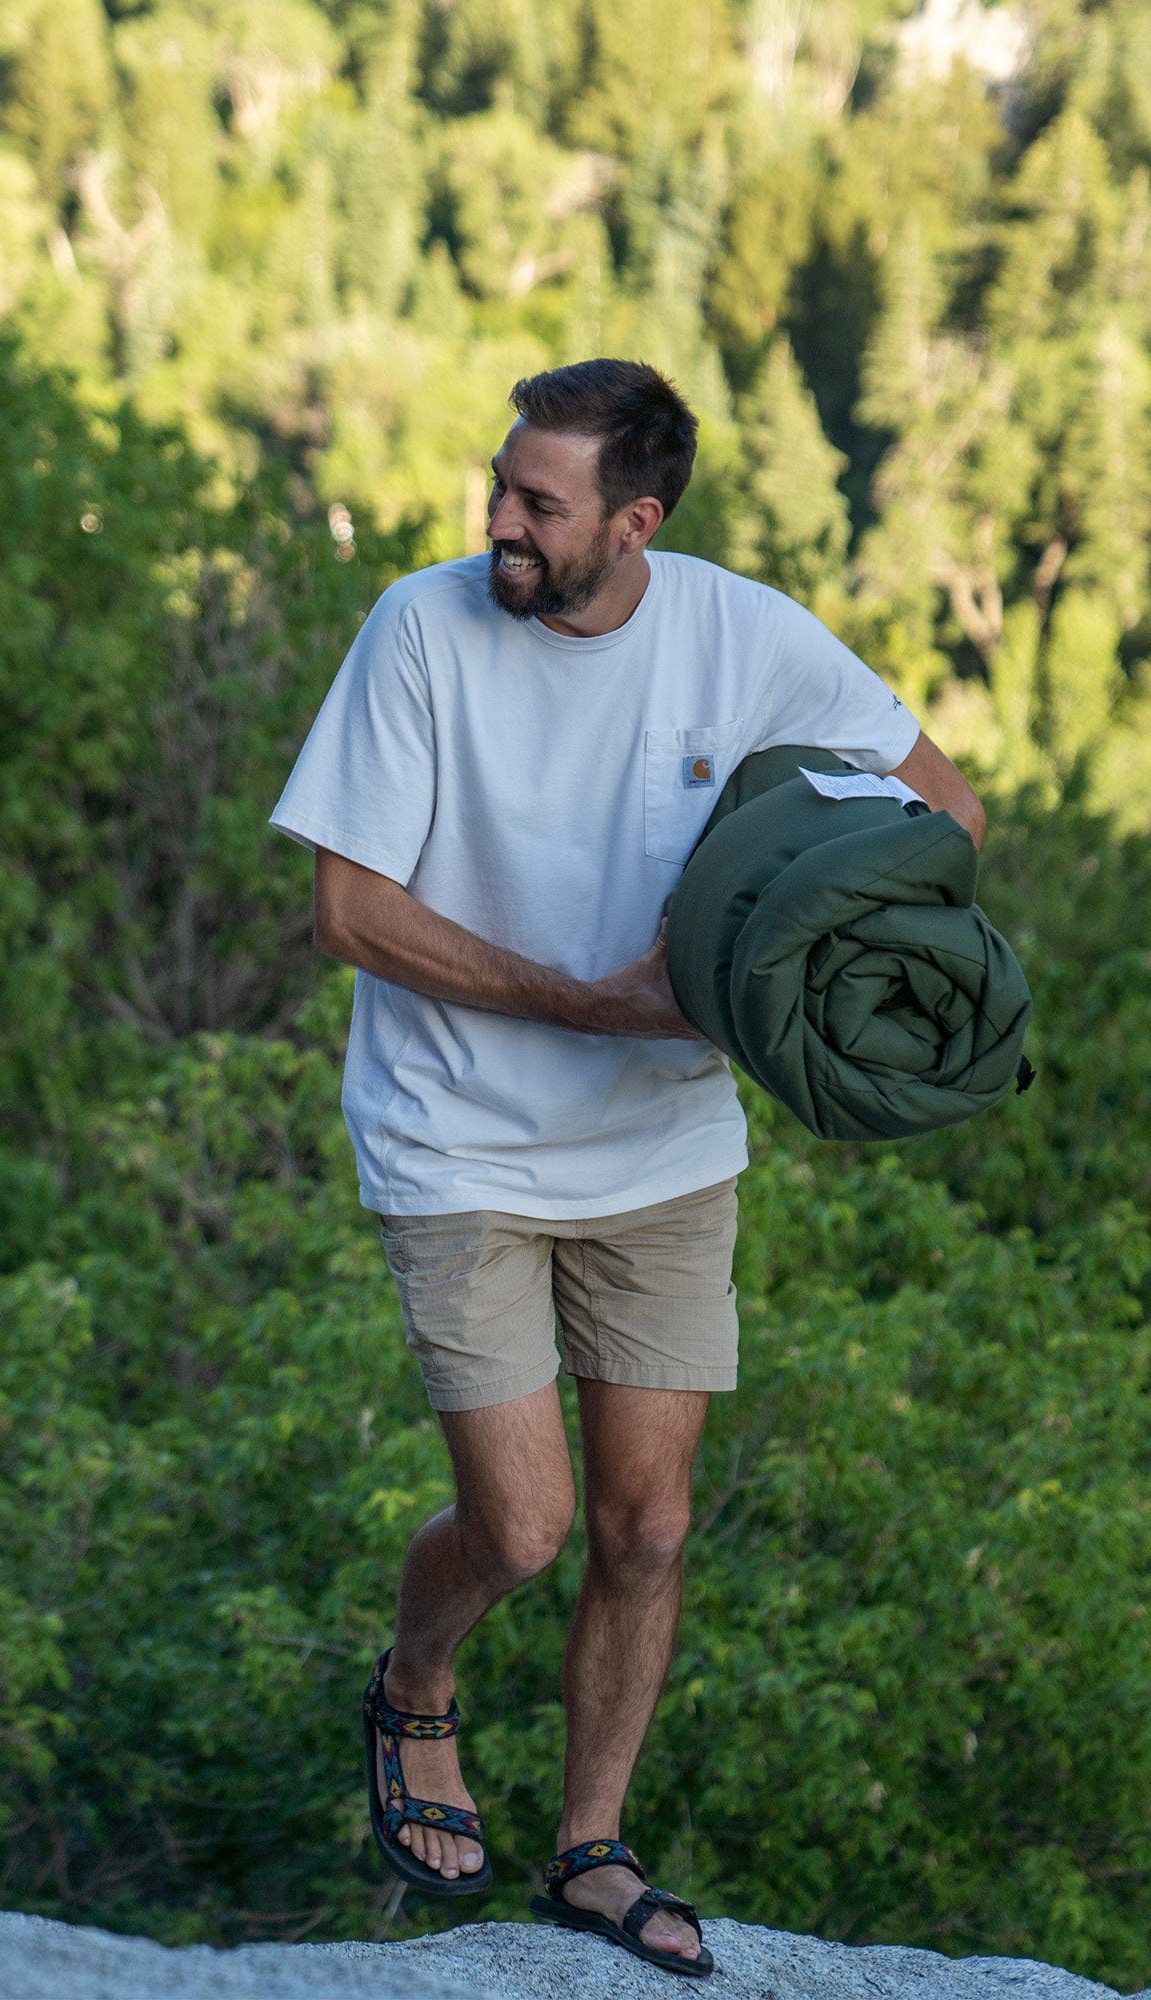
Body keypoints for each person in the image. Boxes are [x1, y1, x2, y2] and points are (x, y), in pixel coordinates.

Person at [270, 361, 984, 1977]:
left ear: (634, 522)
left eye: (540, 505)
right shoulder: (422, 627)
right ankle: (416, 1683)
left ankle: (590, 1849)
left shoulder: (744, 635)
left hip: (663, 1148)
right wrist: (584, 1000)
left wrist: (776, 954)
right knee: (520, 1529)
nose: (499, 524)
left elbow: (944, 809)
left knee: (647, 1529)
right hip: (454, 1135)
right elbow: (350, 914)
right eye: (500, 488)